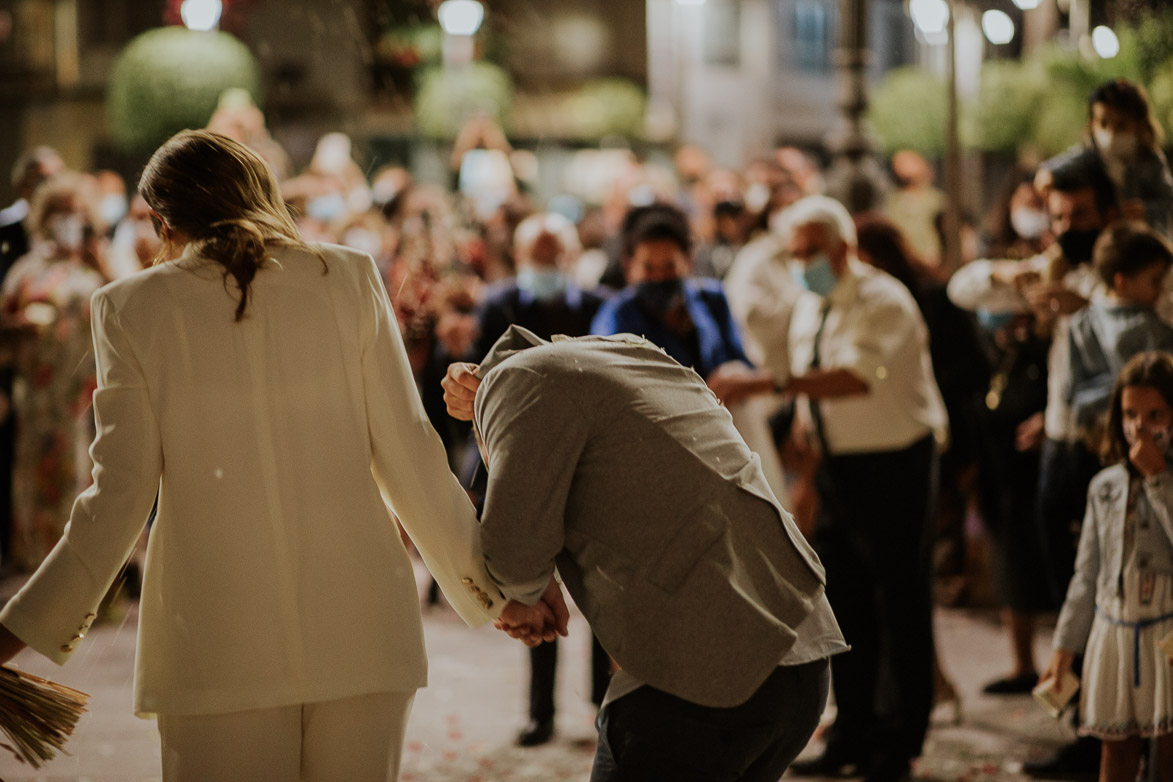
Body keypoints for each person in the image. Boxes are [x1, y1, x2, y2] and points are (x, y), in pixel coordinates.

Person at [0, 130, 523, 782]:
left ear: (161, 220)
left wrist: (14, 632)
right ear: (262, 193)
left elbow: (118, 500)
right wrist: (500, 595)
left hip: (214, 639)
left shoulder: (130, 308)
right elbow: (412, 454)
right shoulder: (350, 277)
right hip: (362, 628)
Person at [442, 325, 847, 782]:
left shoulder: (517, 381)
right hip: (804, 654)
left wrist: (527, 591)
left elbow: (513, 550)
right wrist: (536, 584)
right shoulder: (633, 352)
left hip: (705, 678)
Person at [708, 195, 947, 782]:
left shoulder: (883, 299)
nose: (802, 262)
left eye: (811, 251)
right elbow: (815, 390)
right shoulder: (812, 303)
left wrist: (765, 382)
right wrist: (808, 463)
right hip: (837, 467)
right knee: (847, 607)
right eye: (794, 253)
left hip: (896, 462)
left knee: (901, 602)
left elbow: (854, 378)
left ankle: (901, 740)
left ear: (842, 247)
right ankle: (852, 731)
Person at [460, 212, 612, 748]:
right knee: (532, 577)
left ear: (571, 256)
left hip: (590, 461)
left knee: (601, 588)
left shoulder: (599, 304)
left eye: (555, 257)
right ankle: (540, 713)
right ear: (522, 259)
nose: (548, 267)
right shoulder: (500, 304)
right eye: (538, 258)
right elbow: (474, 376)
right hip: (523, 459)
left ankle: (603, 706)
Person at [1039, 351, 1173, 782]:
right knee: (1115, 749)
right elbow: (1087, 574)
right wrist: (1064, 651)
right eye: (1130, 413)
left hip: (1167, 632)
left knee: (1167, 752)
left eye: (1155, 415)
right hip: (1114, 628)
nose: (1140, 427)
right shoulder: (1105, 486)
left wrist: (1158, 481)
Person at [0, 171, 108, 571]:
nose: (68, 220)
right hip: (37, 390)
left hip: (83, 392)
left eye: (76, 213)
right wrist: (16, 326)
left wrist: (103, 262)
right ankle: (36, 567)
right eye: (60, 213)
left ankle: (78, 570)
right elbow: (4, 322)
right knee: (33, 475)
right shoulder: (27, 269)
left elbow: (129, 314)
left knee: (80, 474)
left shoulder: (98, 264)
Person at [1065, 221, 1173, 441]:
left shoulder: (1079, 323)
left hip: (1096, 436)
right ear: (1122, 282)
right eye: (1155, 280)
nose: (1161, 288)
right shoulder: (1153, 328)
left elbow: (1072, 395)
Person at [1038, 79, 1173, 236]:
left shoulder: (1151, 161)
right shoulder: (1092, 155)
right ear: (1092, 124)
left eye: (1121, 125)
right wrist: (1046, 177)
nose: (1111, 133)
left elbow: (1169, 201)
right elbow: (1055, 169)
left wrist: (1146, 211)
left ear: (1140, 124)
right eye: (1103, 124)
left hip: (1144, 240)